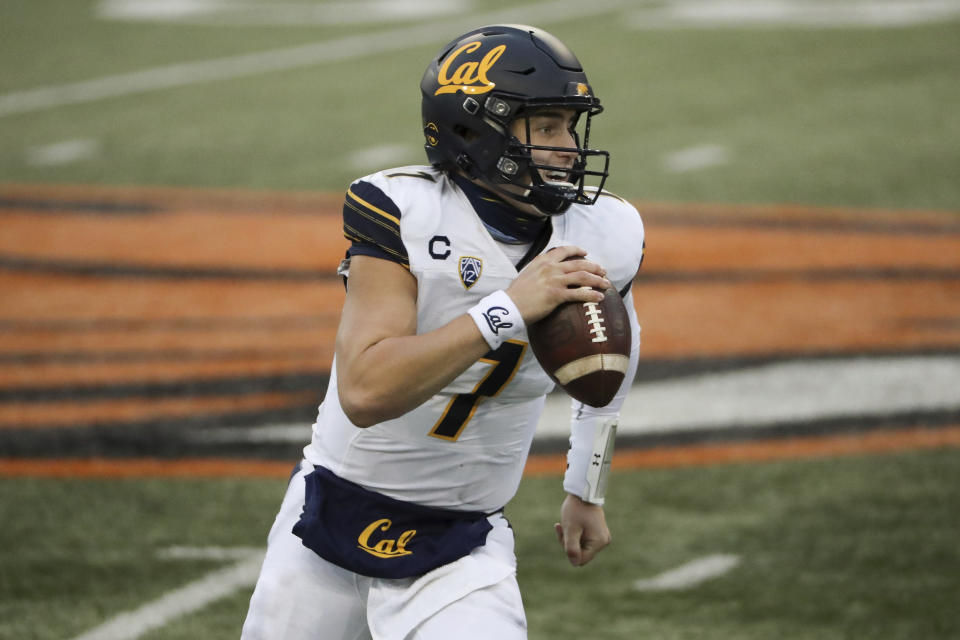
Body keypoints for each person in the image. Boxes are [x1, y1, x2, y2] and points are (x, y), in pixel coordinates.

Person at [242, 24, 645, 640]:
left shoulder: (605, 230)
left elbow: (610, 360)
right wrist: (507, 307)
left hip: (463, 537)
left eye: (570, 124)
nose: (568, 146)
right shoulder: (405, 212)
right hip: (327, 517)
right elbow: (367, 391)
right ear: (474, 131)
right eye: (545, 127)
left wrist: (586, 486)